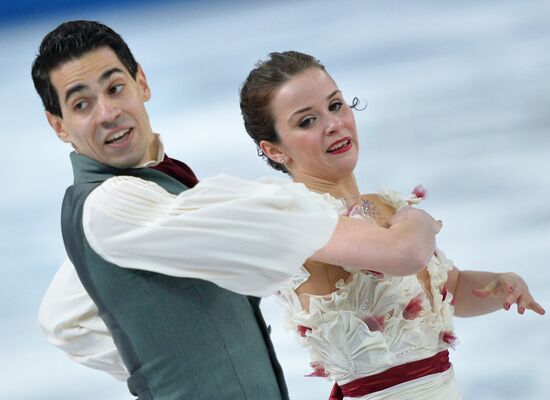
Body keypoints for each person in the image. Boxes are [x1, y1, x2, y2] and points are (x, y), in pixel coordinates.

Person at [33, 21, 442, 400]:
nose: (107, 113)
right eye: (82, 104)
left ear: (141, 82)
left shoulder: (141, 199)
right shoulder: (112, 205)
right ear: (60, 126)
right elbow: (398, 254)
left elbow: (63, 319)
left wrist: (171, 351)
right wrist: (414, 221)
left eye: (114, 88)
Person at [238, 51, 546, 399]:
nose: (334, 124)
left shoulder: (385, 207)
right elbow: (408, 253)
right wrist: (419, 220)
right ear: (275, 150)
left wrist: (498, 286)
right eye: (307, 121)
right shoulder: (297, 218)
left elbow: (451, 289)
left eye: (336, 105)